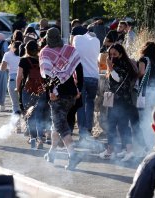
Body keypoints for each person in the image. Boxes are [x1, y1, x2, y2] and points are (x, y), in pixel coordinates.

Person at [40, 27, 84, 170]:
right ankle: (52, 153)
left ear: (47, 38)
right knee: (56, 123)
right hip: (71, 93)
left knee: (61, 125)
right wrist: (79, 89)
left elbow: (46, 75)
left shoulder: (45, 52)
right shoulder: (70, 50)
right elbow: (79, 68)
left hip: (57, 94)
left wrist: (50, 92)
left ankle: (73, 155)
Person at [99, 43, 139, 162]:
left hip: (120, 101)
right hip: (118, 100)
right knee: (120, 126)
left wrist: (110, 68)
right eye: (110, 54)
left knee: (115, 126)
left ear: (121, 54)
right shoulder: (120, 64)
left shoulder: (123, 65)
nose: (112, 56)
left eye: (115, 54)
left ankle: (113, 151)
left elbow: (119, 79)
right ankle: (126, 150)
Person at [16, 40, 46, 149]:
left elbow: (19, 76)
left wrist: (18, 88)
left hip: (27, 91)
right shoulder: (42, 60)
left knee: (30, 115)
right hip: (41, 90)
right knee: (39, 115)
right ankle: (40, 138)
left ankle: (33, 139)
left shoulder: (23, 60)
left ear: (26, 49)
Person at [72, 30, 100, 141]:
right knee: (90, 102)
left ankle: (82, 132)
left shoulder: (77, 39)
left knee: (80, 104)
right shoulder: (96, 41)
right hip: (94, 76)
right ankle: (89, 129)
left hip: (81, 76)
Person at [0, 41, 22, 114]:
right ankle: (27, 123)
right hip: (23, 79)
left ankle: (16, 123)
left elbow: (3, 68)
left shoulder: (7, 54)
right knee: (25, 104)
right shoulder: (24, 55)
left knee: (15, 105)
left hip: (13, 79)